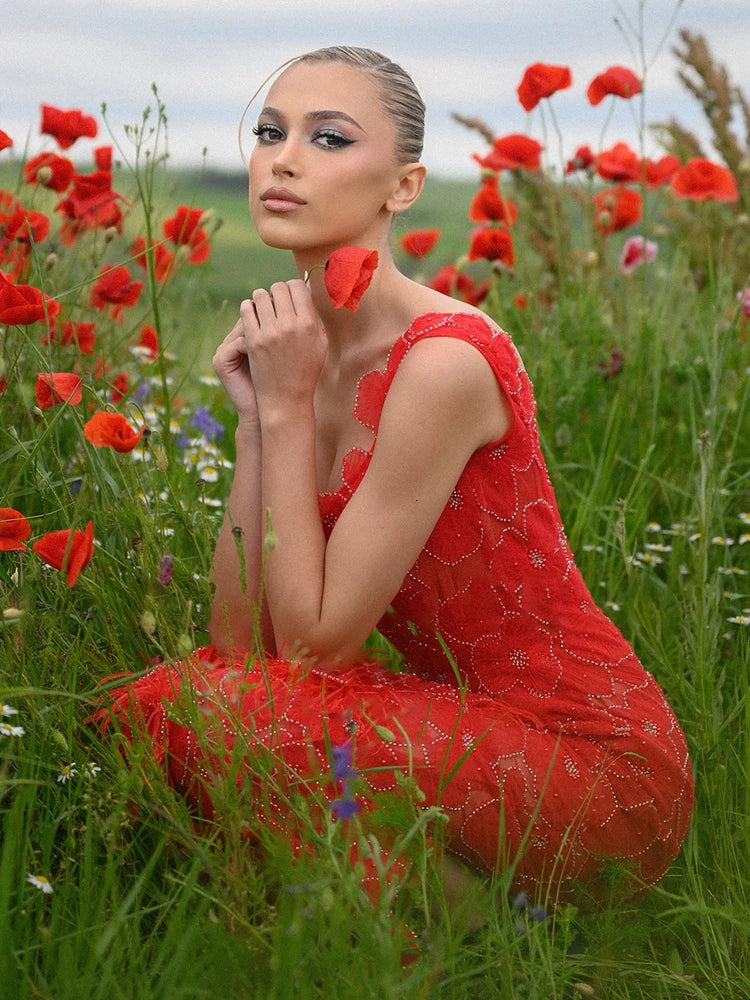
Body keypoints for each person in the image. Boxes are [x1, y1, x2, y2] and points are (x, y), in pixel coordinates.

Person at [106, 46, 693, 908]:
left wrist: (287, 408)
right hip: (465, 733)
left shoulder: (443, 363)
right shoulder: (300, 353)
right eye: (269, 132)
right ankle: (460, 925)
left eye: (329, 138)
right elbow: (238, 644)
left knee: (226, 717)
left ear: (405, 187)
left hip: (589, 760)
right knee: (193, 701)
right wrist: (259, 419)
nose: (284, 159)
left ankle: (474, 928)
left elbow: (315, 648)